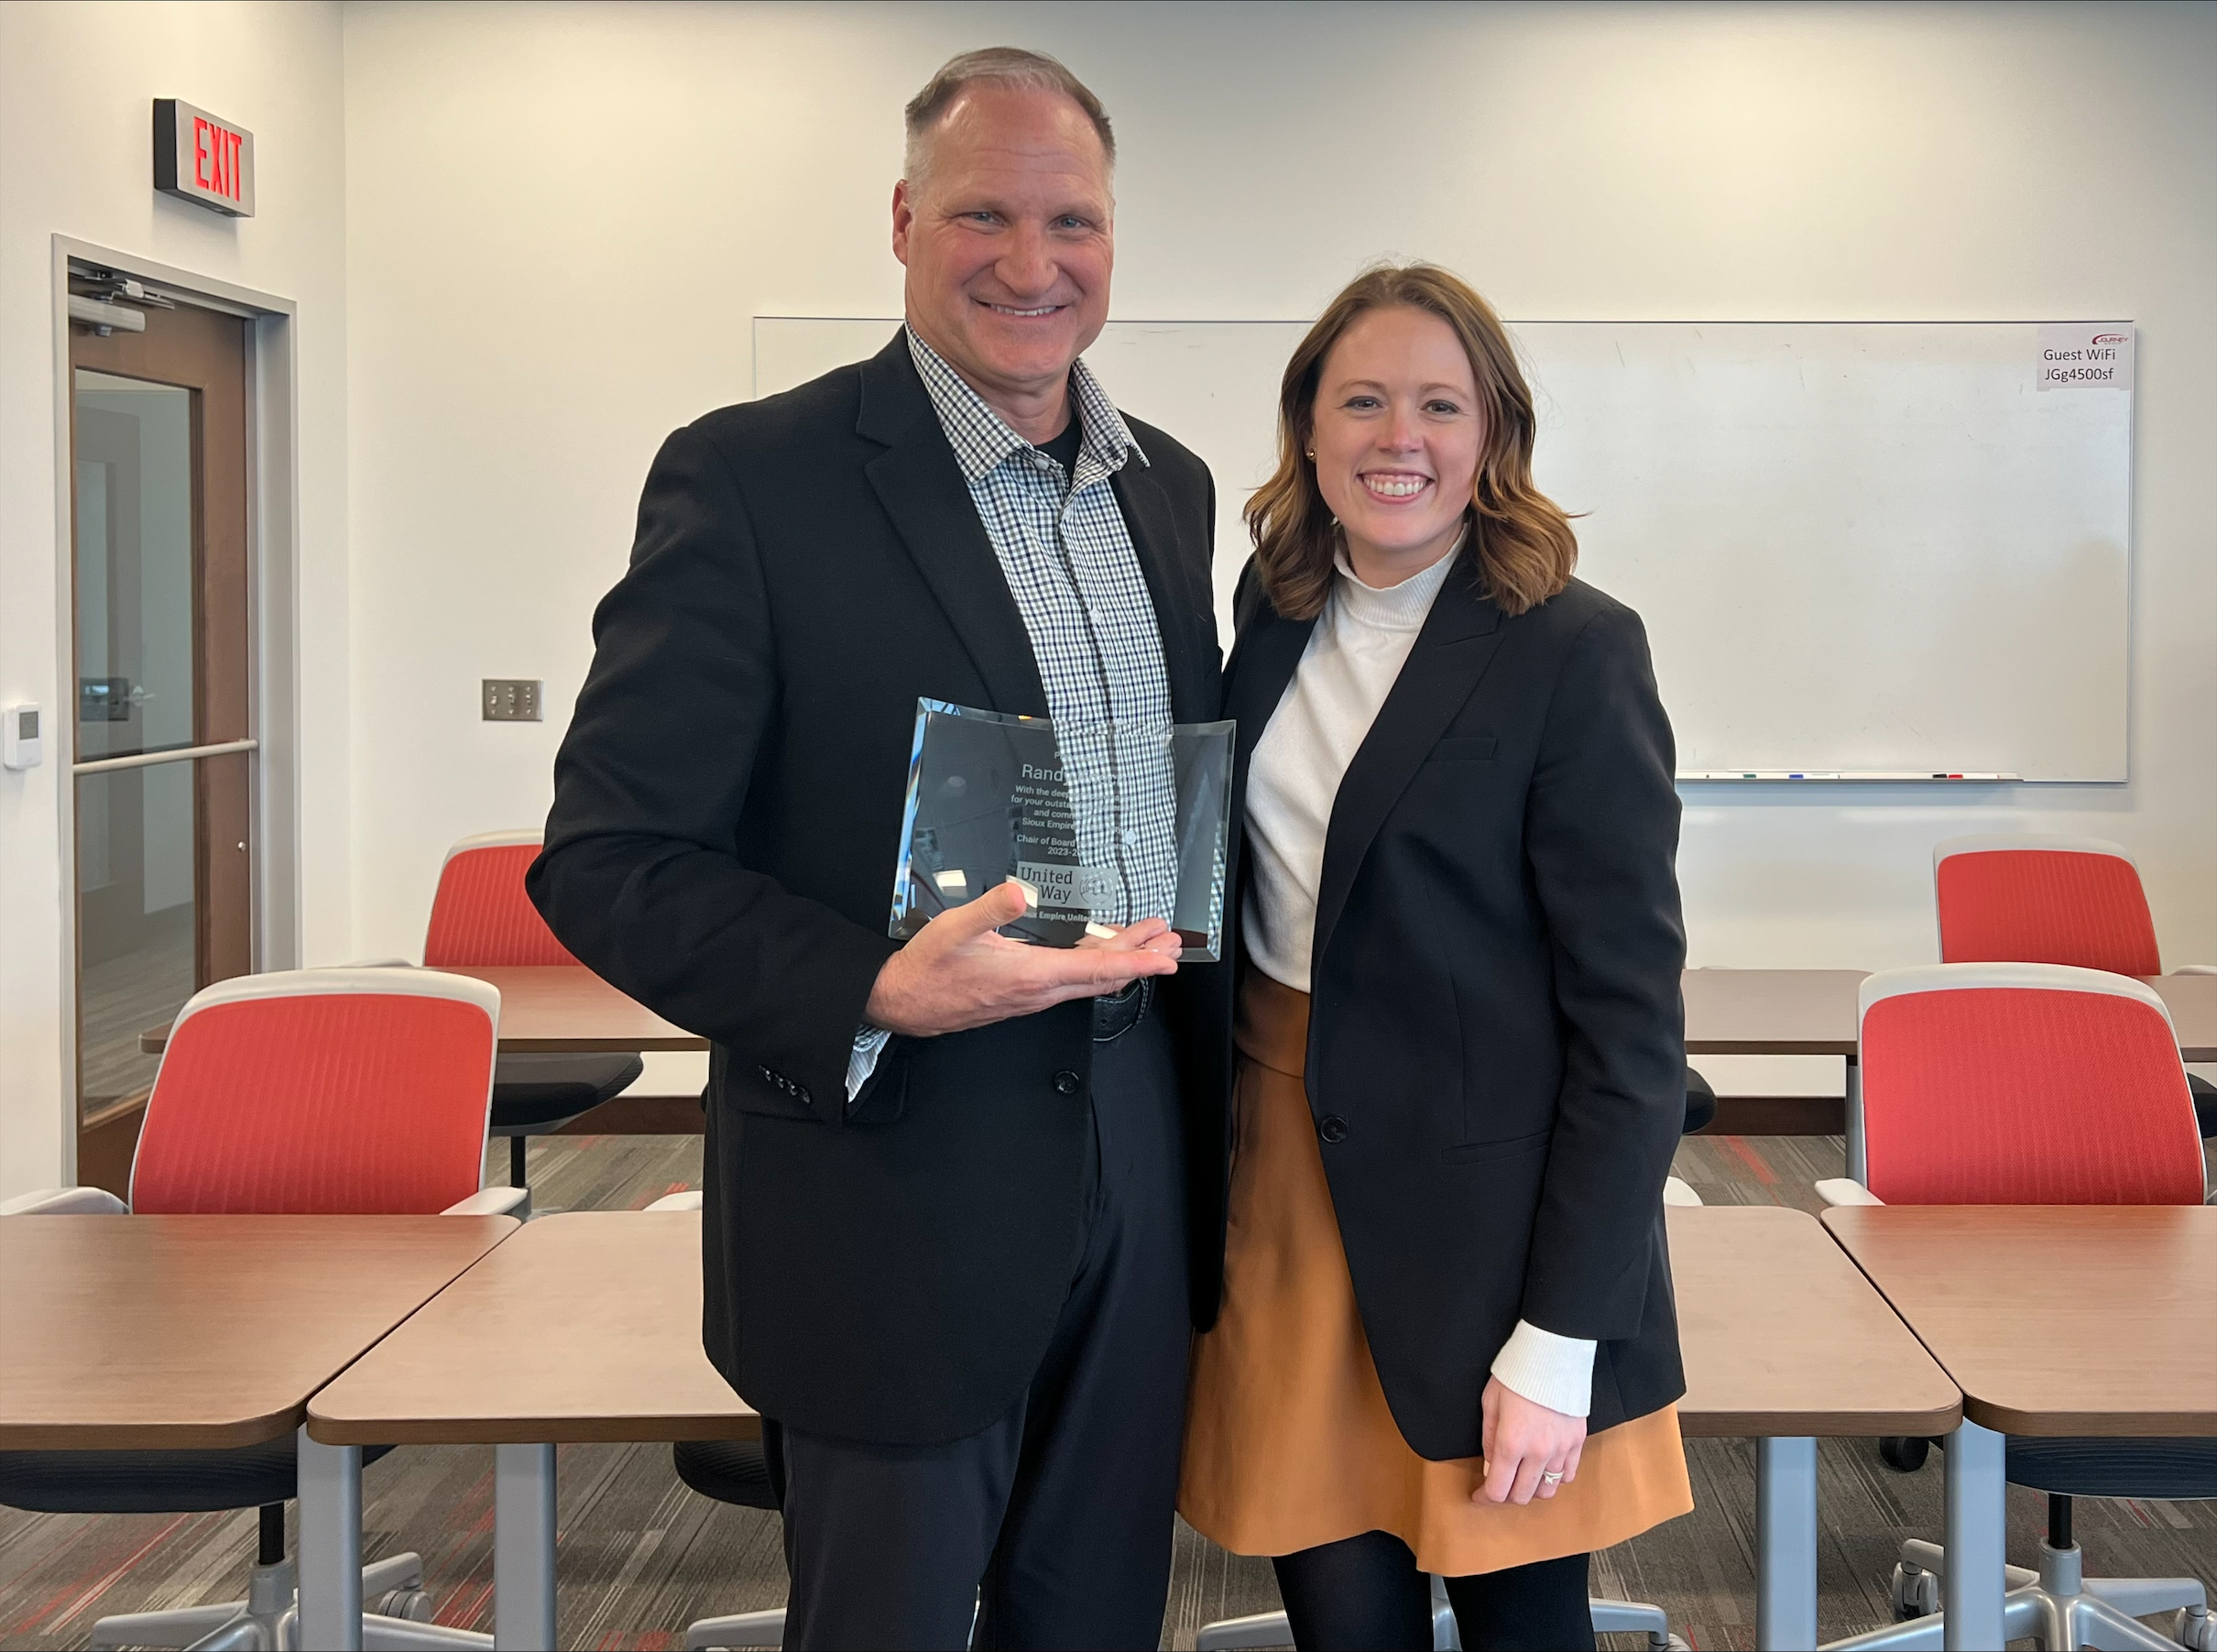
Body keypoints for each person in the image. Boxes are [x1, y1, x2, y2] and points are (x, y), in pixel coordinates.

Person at [529, 48, 1229, 1651]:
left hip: (1140, 1135)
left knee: (1096, 1613)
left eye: (1075, 223)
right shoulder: (757, 478)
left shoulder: (1168, 492)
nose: (1031, 263)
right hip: (894, 1173)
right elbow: (607, 854)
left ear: (1115, 245)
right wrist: (869, 988)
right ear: (906, 220)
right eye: (984, 212)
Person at [1177, 265, 1694, 1651]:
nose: (1396, 436)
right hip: (1283, 1187)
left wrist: (1563, 1337)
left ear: (1492, 436)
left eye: (1437, 404)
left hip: (1488, 1231)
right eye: (1362, 399)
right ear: (1309, 427)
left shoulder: (1572, 651)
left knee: (1524, 1625)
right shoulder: (1272, 611)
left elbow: (1632, 1036)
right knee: (1344, 1621)